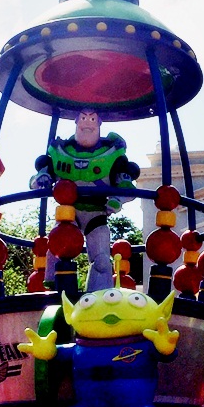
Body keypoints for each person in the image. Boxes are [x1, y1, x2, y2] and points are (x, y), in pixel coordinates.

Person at [30, 109, 140, 292]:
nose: (87, 122)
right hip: (68, 213)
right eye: (83, 118)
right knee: (59, 245)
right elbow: (37, 180)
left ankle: (98, 295)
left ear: (99, 123)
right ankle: (54, 289)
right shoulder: (61, 152)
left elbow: (128, 188)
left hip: (97, 213)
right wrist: (40, 180)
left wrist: (118, 199)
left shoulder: (113, 156)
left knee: (102, 260)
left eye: (92, 119)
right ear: (76, 122)